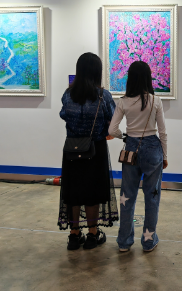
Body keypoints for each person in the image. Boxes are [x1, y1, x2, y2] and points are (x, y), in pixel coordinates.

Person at [58, 53, 119, 250]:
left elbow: (63, 115)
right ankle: (93, 234)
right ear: (97, 72)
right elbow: (112, 119)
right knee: (93, 191)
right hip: (95, 149)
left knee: (73, 191)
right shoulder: (103, 96)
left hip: (72, 149)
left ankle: (74, 235)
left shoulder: (68, 95)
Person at [109, 61, 168, 252]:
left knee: (127, 195)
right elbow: (163, 132)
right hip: (152, 149)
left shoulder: (123, 101)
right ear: (148, 78)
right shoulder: (155, 100)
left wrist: (124, 136)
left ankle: (124, 241)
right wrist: (165, 155)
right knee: (152, 196)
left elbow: (112, 129)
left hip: (131, 149)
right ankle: (149, 241)